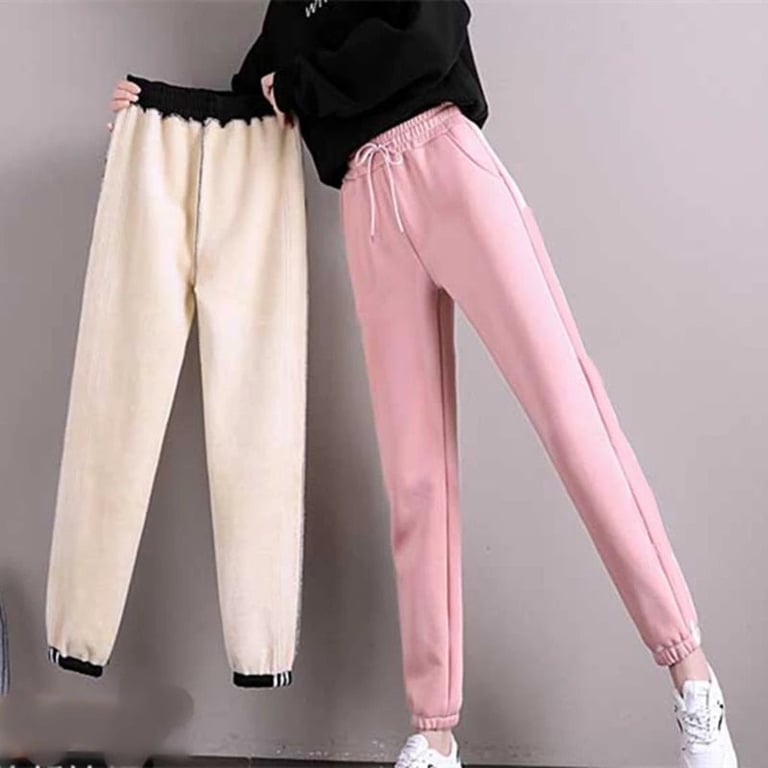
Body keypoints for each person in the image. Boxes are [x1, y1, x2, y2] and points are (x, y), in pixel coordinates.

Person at [109, 2, 739, 766]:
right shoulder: (288, 10)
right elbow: (250, 104)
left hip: (449, 167)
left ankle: (693, 680)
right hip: (368, 209)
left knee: (571, 415)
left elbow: (427, 40)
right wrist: (157, 106)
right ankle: (435, 732)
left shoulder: (310, 53)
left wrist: (304, 85)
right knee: (416, 480)